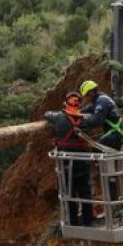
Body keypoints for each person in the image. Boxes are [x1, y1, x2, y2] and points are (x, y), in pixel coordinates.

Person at [45, 92, 94, 226]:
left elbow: (47, 114)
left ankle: (72, 222)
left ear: (66, 104)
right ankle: (87, 221)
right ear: (79, 105)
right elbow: (92, 121)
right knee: (85, 192)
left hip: (65, 161)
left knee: (69, 192)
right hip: (82, 160)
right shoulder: (84, 119)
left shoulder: (58, 117)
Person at [79, 80, 123, 218]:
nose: (86, 99)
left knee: (96, 148)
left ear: (91, 92)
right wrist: (76, 113)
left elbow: (97, 120)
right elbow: (88, 109)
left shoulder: (102, 101)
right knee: (99, 148)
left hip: (116, 135)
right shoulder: (99, 99)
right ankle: (105, 178)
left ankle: (97, 175)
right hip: (114, 133)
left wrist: (83, 122)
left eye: (87, 96)